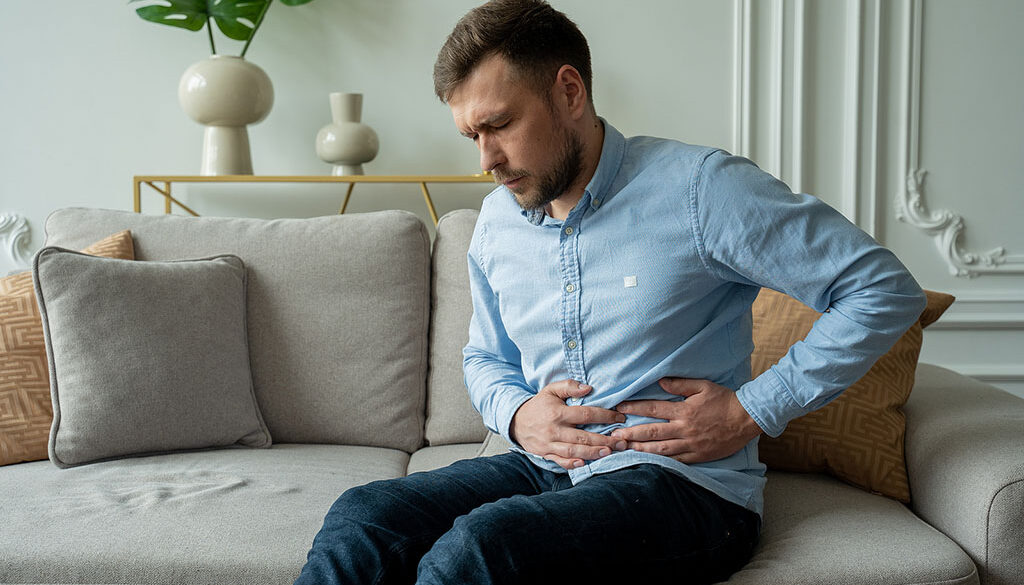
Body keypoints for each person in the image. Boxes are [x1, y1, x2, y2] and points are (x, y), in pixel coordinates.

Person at [294, 1, 927, 583]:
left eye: (500, 125)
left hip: (685, 489)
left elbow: (882, 289)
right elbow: (485, 360)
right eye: (472, 136)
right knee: (367, 514)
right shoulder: (495, 222)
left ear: (568, 90)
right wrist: (518, 416)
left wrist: (752, 410)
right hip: (547, 468)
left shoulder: (703, 189)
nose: (485, 159)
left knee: (486, 547)